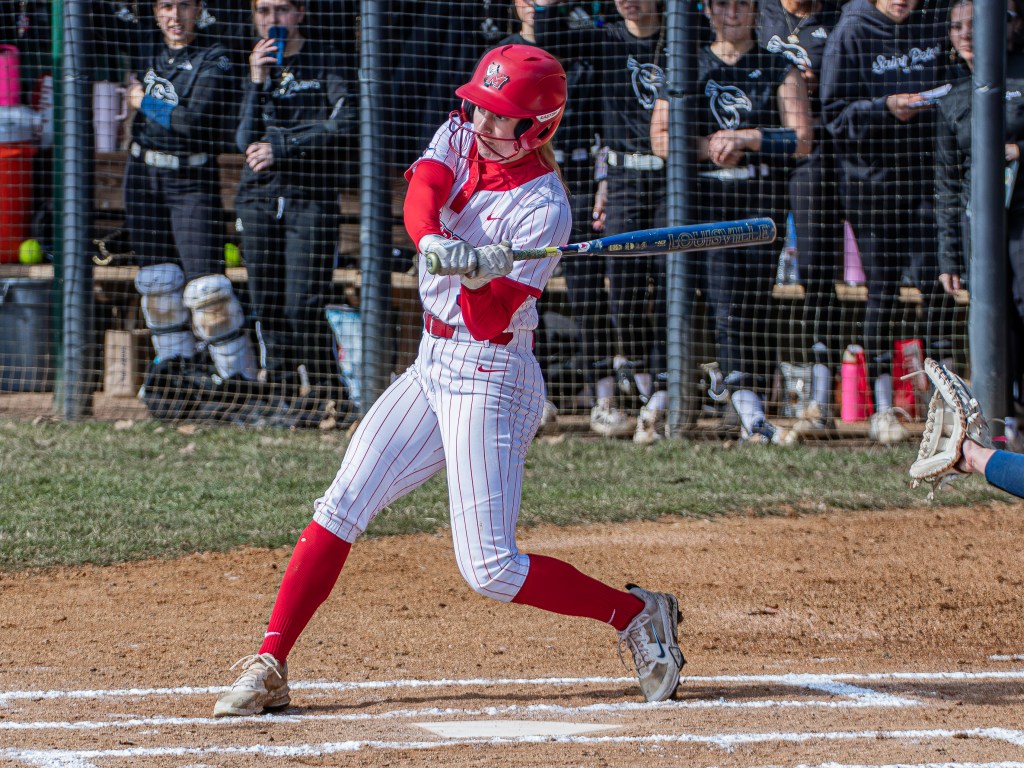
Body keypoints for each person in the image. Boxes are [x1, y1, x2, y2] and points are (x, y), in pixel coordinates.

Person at [212, 44, 685, 717]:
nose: (483, 122)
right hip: (431, 362)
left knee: (490, 568)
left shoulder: (545, 208)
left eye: (501, 115)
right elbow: (424, 193)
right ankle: (271, 662)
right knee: (341, 503)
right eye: (481, 107)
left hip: (492, 374)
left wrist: (481, 275)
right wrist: (436, 241)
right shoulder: (462, 133)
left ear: (537, 127)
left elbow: (489, 321)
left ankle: (636, 614)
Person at [650, 0, 813, 443]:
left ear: (756, 11)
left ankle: (747, 402)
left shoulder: (777, 66)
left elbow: (801, 138)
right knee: (719, 299)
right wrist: (709, 147)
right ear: (707, 11)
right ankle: (729, 402)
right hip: (702, 202)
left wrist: (747, 138)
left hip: (758, 200)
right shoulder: (685, 65)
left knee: (754, 300)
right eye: (723, 4)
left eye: (743, 5)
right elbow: (660, 139)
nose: (733, 14)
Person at [534, 0, 670, 443]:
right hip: (624, 178)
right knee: (623, 291)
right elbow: (552, 42)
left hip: (672, 177)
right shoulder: (607, 38)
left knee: (668, 283)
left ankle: (662, 391)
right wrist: (546, 5)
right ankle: (632, 383)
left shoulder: (679, 38)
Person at [820, 0, 947, 443]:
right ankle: (881, 407)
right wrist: (885, 107)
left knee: (938, 285)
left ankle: (945, 403)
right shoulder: (851, 32)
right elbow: (834, 115)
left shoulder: (932, 23)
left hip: (926, 182)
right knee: (883, 292)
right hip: (869, 186)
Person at [126, 0, 257, 421]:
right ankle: (178, 384)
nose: (175, 16)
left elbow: (193, 122)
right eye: (166, 6)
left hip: (191, 180)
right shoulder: (143, 45)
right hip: (142, 177)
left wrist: (143, 101)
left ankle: (239, 388)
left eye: (183, 5)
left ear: (198, 9)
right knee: (157, 284)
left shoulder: (215, 56)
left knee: (208, 292)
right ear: (154, 11)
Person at [495, 1, 612, 431]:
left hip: (578, 175)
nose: (535, 5)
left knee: (587, 288)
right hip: (524, 177)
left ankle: (603, 394)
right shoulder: (503, 56)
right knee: (523, 288)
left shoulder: (581, 47)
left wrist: (604, 180)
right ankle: (530, 396)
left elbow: (606, 120)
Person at [234, 0, 358, 402]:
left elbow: (346, 122)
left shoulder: (327, 60)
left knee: (302, 304)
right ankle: (283, 394)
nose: (272, 20)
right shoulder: (251, 63)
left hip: (311, 196)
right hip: (258, 197)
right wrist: (256, 80)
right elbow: (243, 140)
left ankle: (328, 392)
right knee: (267, 304)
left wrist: (283, 145)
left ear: (300, 12)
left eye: (282, 10)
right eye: (263, 11)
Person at [757, 0, 843, 427]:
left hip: (814, 154)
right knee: (758, 267)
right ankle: (757, 388)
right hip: (763, 149)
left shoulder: (836, 16)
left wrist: (820, 82)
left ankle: (820, 397)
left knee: (816, 267)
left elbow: (850, 82)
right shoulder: (760, 12)